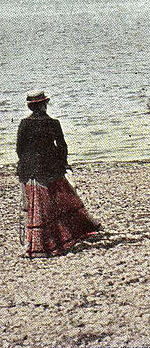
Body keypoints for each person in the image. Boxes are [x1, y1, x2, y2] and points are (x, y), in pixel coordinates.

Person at [16, 90, 101, 257]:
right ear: (44, 105)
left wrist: (25, 166)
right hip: (52, 168)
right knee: (62, 201)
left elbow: (20, 149)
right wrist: (63, 164)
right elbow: (62, 146)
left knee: (38, 208)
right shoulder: (53, 123)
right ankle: (69, 235)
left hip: (32, 170)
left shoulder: (24, 124)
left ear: (31, 107)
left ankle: (42, 244)